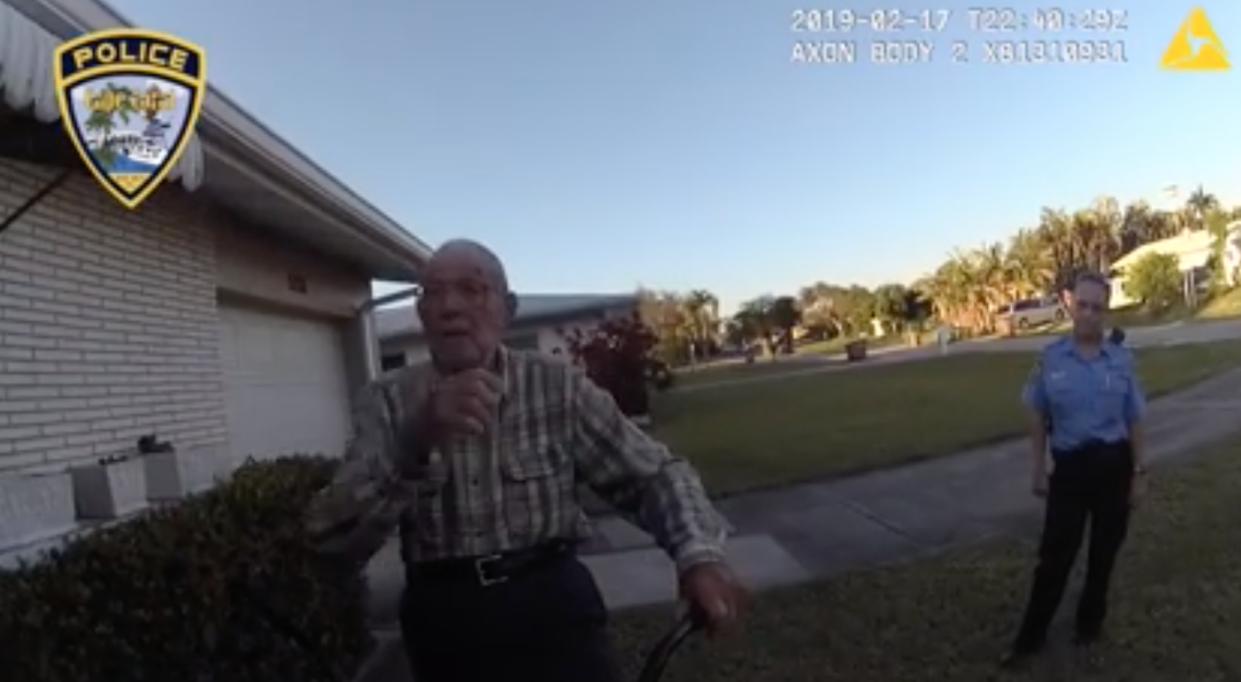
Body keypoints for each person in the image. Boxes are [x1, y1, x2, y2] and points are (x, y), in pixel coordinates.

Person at [305, 239, 744, 682]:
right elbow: (333, 538)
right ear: (421, 313)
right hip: (445, 623)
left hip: (553, 606)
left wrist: (698, 556)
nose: (449, 306)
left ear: (507, 308)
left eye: (472, 289)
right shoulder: (386, 401)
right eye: (433, 292)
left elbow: (653, 476)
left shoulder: (558, 386)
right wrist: (412, 443)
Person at [1003, 271, 1149, 667]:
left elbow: (1134, 418)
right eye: (1081, 305)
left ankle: (1089, 624)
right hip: (1069, 470)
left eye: (1096, 308)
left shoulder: (1121, 360)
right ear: (1069, 304)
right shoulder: (1050, 358)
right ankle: (1029, 639)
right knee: (1054, 559)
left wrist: (1138, 473)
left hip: (1113, 467)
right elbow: (1035, 410)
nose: (1088, 314)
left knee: (1104, 555)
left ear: (1105, 311)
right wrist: (1038, 465)